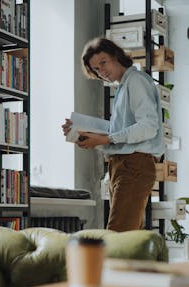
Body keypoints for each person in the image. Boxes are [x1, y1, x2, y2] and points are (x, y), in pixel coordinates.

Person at [62, 37, 164, 232]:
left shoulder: (135, 81)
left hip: (134, 164)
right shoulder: (123, 87)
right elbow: (119, 132)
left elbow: (149, 126)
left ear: (116, 56)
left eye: (103, 62)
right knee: (127, 236)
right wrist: (85, 132)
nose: (102, 71)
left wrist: (107, 138)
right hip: (122, 165)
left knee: (118, 234)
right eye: (97, 69)